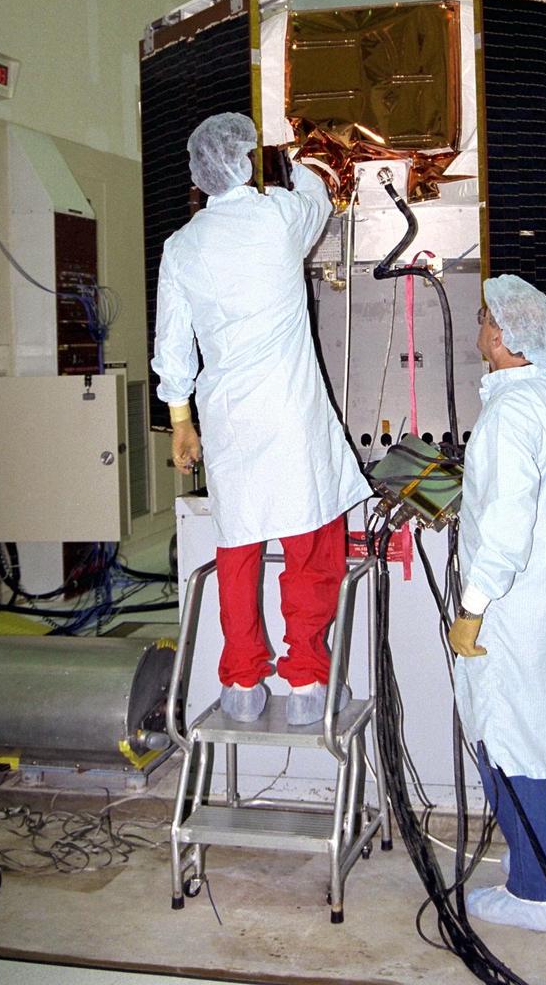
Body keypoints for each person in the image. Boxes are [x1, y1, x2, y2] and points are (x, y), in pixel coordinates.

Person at [152, 112, 370, 726]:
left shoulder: (181, 247)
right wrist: (289, 155)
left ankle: (241, 684)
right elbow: (318, 196)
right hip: (291, 414)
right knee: (310, 544)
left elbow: (173, 346)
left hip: (227, 421)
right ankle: (306, 682)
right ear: (246, 163)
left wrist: (182, 421)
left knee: (239, 546)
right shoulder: (278, 220)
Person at [447, 274, 546, 933]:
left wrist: (473, 606)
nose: (480, 330)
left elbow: (507, 525)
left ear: (507, 337)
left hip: (516, 610)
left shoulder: (509, 415)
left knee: (510, 743)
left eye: (486, 320)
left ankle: (531, 894)